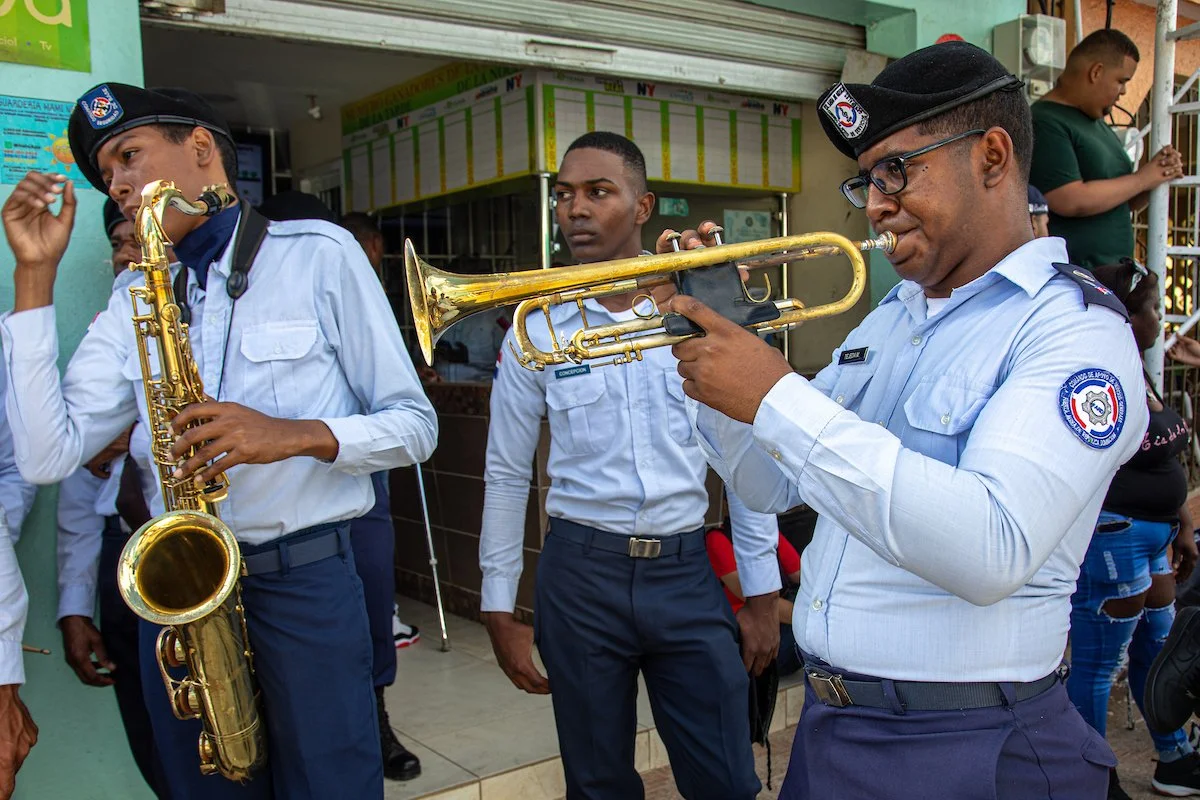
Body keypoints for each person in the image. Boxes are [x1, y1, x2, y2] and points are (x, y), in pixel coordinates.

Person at [658, 41, 1147, 799]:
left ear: (992, 156)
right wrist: (718, 345)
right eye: (868, 179)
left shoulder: (1075, 330)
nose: (878, 202)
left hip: (972, 744)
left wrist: (777, 392)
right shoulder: (887, 322)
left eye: (899, 170)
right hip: (833, 731)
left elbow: (993, 545)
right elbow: (764, 485)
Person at [0, 83, 438, 800]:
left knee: (332, 786)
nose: (117, 184)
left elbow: (415, 427)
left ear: (200, 149)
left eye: (128, 155)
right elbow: (48, 454)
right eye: (106, 173)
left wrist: (290, 435)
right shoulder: (132, 296)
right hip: (184, 598)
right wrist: (33, 275)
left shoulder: (317, 255)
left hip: (303, 580)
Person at [480, 131, 780, 800]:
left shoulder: (697, 307)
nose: (575, 209)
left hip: (684, 570)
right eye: (563, 195)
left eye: (597, 192)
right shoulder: (536, 326)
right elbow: (505, 471)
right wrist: (498, 602)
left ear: (642, 207)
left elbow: (745, 450)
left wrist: (760, 590)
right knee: (597, 786)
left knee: (727, 780)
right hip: (580, 578)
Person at [1064, 259, 1200, 799]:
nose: (1162, 318)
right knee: (1099, 666)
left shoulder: (1138, 367)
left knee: (1158, 649)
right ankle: (1093, 777)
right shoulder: (1093, 375)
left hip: (1157, 538)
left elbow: (1168, 467)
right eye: (1152, 309)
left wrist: (1182, 523)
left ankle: (1173, 758)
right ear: (1124, 317)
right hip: (1115, 537)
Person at [55, 198, 165, 797]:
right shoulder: (102, 349)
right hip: (122, 567)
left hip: (192, 558)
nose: (130, 253)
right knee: (151, 737)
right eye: (121, 243)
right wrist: (76, 607)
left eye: (141, 242)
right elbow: (76, 492)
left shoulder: (198, 333)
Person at [1030, 29, 1183, 268]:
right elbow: (1069, 200)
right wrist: (1143, 179)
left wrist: (1157, 174)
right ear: (1096, 72)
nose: (1123, 92)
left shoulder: (1097, 124)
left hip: (1114, 277)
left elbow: (1117, 203)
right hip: (1078, 278)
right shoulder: (1045, 121)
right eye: (1121, 81)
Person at [705, 519, 802, 676]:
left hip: (780, 622)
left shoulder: (769, 533)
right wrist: (811, 620)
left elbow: (800, 575)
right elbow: (752, 597)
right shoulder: (717, 539)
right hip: (750, 635)